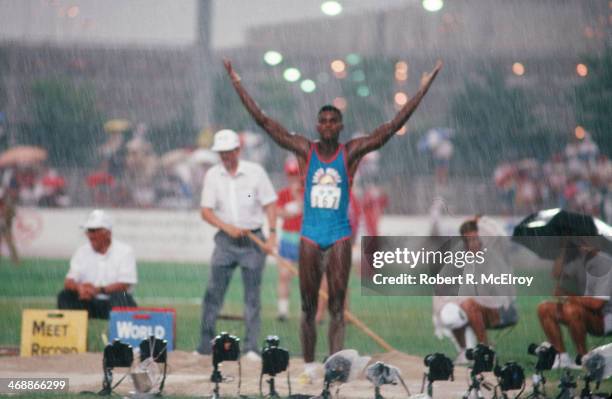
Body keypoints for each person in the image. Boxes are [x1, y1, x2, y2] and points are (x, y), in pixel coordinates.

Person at [223, 58, 442, 377]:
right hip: (310, 235)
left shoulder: (350, 152)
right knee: (308, 307)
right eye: (322, 120)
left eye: (332, 121)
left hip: (339, 235)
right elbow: (264, 122)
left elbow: (392, 126)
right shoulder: (303, 150)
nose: (326, 125)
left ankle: (335, 363)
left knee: (338, 307)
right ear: (316, 126)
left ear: (340, 126)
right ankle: (310, 366)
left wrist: (424, 88)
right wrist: (236, 80)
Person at [195, 129, 277, 360]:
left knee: (252, 296)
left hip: (253, 241)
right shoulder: (213, 175)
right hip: (225, 242)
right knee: (213, 293)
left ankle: (251, 348)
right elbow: (206, 211)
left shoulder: (255, 173)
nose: (225, 157)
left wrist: (271, 235)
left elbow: (270, 204)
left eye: (228, 152)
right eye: (221, 153)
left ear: (238, 150)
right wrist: (227, 227)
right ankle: (204, 345)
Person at [439, 217, 519, 365]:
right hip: (474, 307)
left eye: (476, 239)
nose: (474, 243)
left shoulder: (491, 256)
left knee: (469, 304)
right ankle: (464, 352)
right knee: (449, 311)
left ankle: (486, 352)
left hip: (500, 309)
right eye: (469, 240)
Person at [537, 237, 612, 369]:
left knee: (573, 310)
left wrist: (567, 295)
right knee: (544, 308)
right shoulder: (581, 260)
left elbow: (597, 304)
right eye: (581, 239)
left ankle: (584, 359)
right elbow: (556, 274)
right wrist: (564, 249)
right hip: (586, 312)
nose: (584, 244)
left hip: (605, 318)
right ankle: (562, 358)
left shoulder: (605, 264)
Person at [57, 209, 137, 319]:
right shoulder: (81, 252)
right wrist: (79, 288)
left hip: (112, 301)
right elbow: (69, 281)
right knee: (65, 295)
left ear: (108, 233)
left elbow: (125, 284)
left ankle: (118, 321)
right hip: (88, 301)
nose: (90, 235)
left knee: (122, 297)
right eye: (89, 231)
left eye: (94, 231)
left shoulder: (125, 251)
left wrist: (98, 290)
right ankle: (75, 322)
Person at [276, 157, 303, 321]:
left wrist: (296, 197)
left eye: (296, 175)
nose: (293, 178)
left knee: (305, 277)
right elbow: (278, 212)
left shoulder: (307, 193)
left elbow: (305, 211)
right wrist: (288, 210)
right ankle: (283, 310)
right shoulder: (283, 193)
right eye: (291, 175)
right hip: (287, 238)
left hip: (303, 239)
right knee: (284, 275)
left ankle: (305, 310)